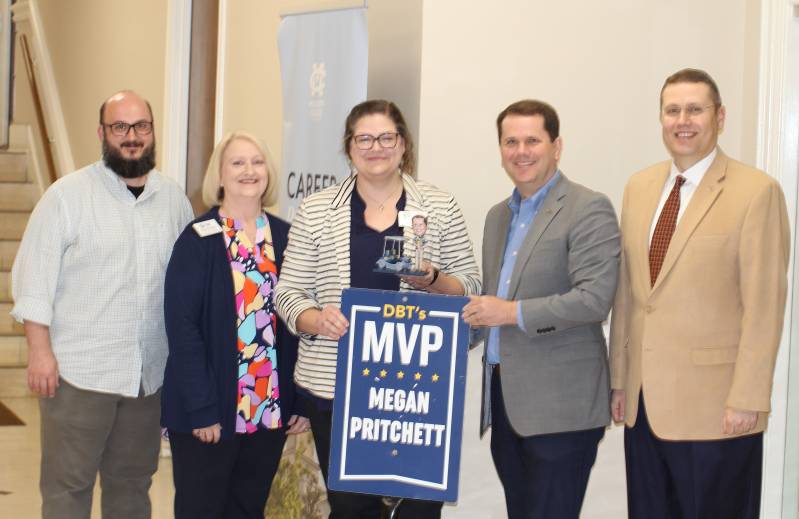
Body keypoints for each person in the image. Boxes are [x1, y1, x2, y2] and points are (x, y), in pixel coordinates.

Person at [274, 99, 481, 519]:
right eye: (364, 138)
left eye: (386, 137)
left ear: (403, 144)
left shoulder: (439, 206)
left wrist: (434, 280)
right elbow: (288, 293)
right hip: (337, 386)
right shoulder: (317, 211)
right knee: (352, 508)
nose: (376, 147)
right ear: (349, 147)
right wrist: (317, 319)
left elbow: (472, 285)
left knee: (420, 508)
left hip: (419, 386)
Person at [609, 68, 790, 519]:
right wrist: (619, 379)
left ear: (720, 117)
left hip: (718, 410)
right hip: (644, 406)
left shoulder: (756, 191)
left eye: (695, 109)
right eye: (672, 110)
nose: (682, 120)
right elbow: (629, 294)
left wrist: (749, 397)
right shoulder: (639, 186)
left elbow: (764, 305)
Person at [10, 90, 194, 518]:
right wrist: (40, 354)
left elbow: (186, 284)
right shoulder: (66, 198)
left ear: (152, 132)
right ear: (102, 133)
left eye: (141, 126)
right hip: (78, 376)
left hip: (145, 379)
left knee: (132, 487)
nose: (132, 137)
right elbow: (33, 281)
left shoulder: (173, 200)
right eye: (120, 127)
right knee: (67, 490)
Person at [462, 99, 620, 519]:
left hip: (561, 412)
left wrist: (510, 313)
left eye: (533, 139)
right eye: (510, 141)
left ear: (557, 146)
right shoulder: (499, 217)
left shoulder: (588, 207)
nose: (521, 151)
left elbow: (594, 299)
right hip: (507, 406)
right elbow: (492, 304)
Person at [161, 131, 309, 518]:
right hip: (211, 410)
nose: (249, 171)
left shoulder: (286, 236)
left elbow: (298, 322)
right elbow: (182, 329)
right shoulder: (197, 239)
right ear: (220, 176)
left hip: (268, 408)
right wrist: (201, 408)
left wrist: (299, 398)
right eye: (238, 163)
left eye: (257, 162)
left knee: (247, 510)